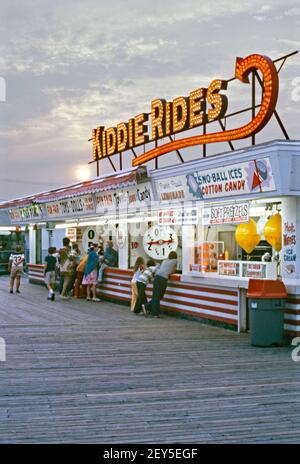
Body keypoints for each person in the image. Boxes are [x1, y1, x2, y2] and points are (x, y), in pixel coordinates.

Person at [143, 251, 177, 318]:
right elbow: (173, 270)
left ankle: (146, 306)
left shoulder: (164, 261)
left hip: (157, 277)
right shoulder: (175, 261)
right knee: (159, 296)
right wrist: (169, 272)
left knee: (157, 295)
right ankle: (155, 313)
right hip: (163, 279)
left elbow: (162, 268)